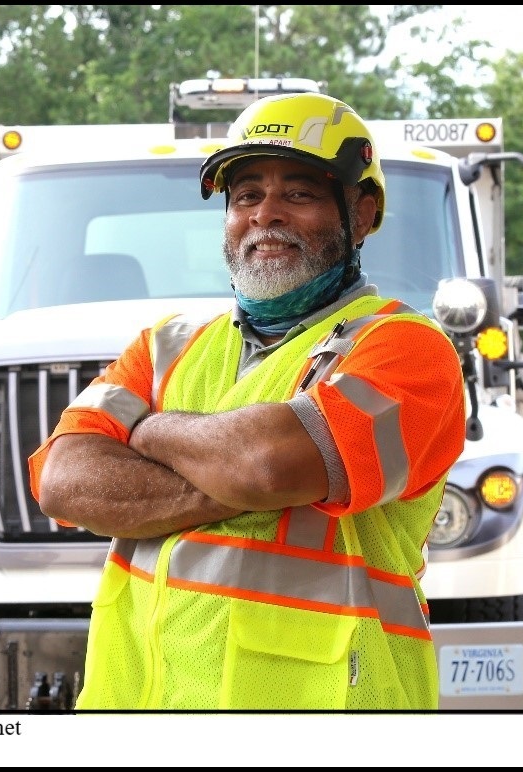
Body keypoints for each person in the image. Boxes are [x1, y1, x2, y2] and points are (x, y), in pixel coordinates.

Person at [27, 91, 466, 711]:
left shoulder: (407, 349)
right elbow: (63, 482)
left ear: (362, 212)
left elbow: (267, 466)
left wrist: (148, 434)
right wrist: (232, 474)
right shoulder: (166, 346)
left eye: (300, 193)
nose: (266, 215)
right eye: (247, 195)